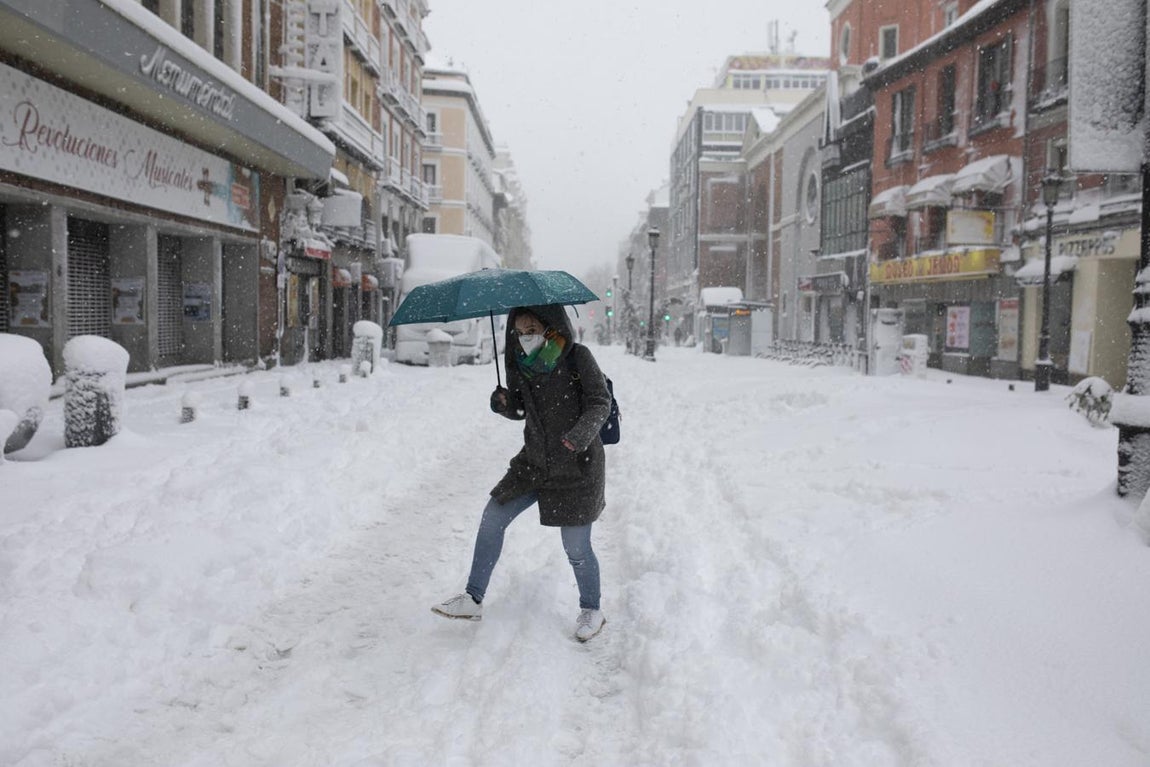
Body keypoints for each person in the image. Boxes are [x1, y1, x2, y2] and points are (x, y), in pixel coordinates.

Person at [432, 304, 614, 642]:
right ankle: (473, 598)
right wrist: (503, 403)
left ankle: (592, 609)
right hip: (534, 461)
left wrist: (578, 436)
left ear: (549, 327)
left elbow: (599, 402)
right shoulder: (519, 359)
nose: (524, 336)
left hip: (577, 464)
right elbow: (520, 408)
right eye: (519, 330)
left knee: (576, 547)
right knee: (493, 516)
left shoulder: (577, 357)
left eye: (531, 329)